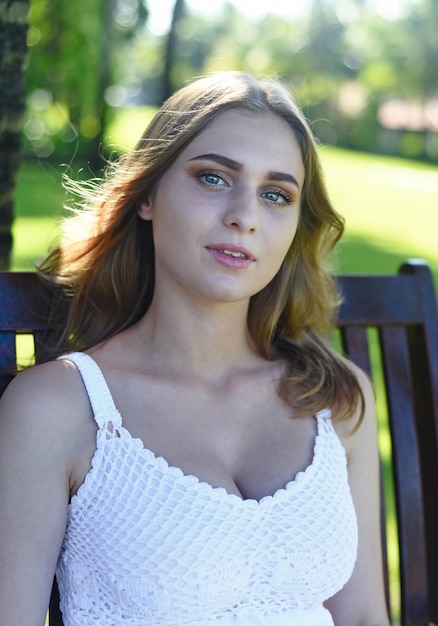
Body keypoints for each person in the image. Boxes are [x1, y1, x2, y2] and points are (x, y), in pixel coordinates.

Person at [0, 71, 390, 626]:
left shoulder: (335, 397)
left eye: (276, 195)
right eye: (212, 178)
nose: (244, 216)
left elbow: (364, 618)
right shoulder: (59, 409)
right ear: (148, 197)